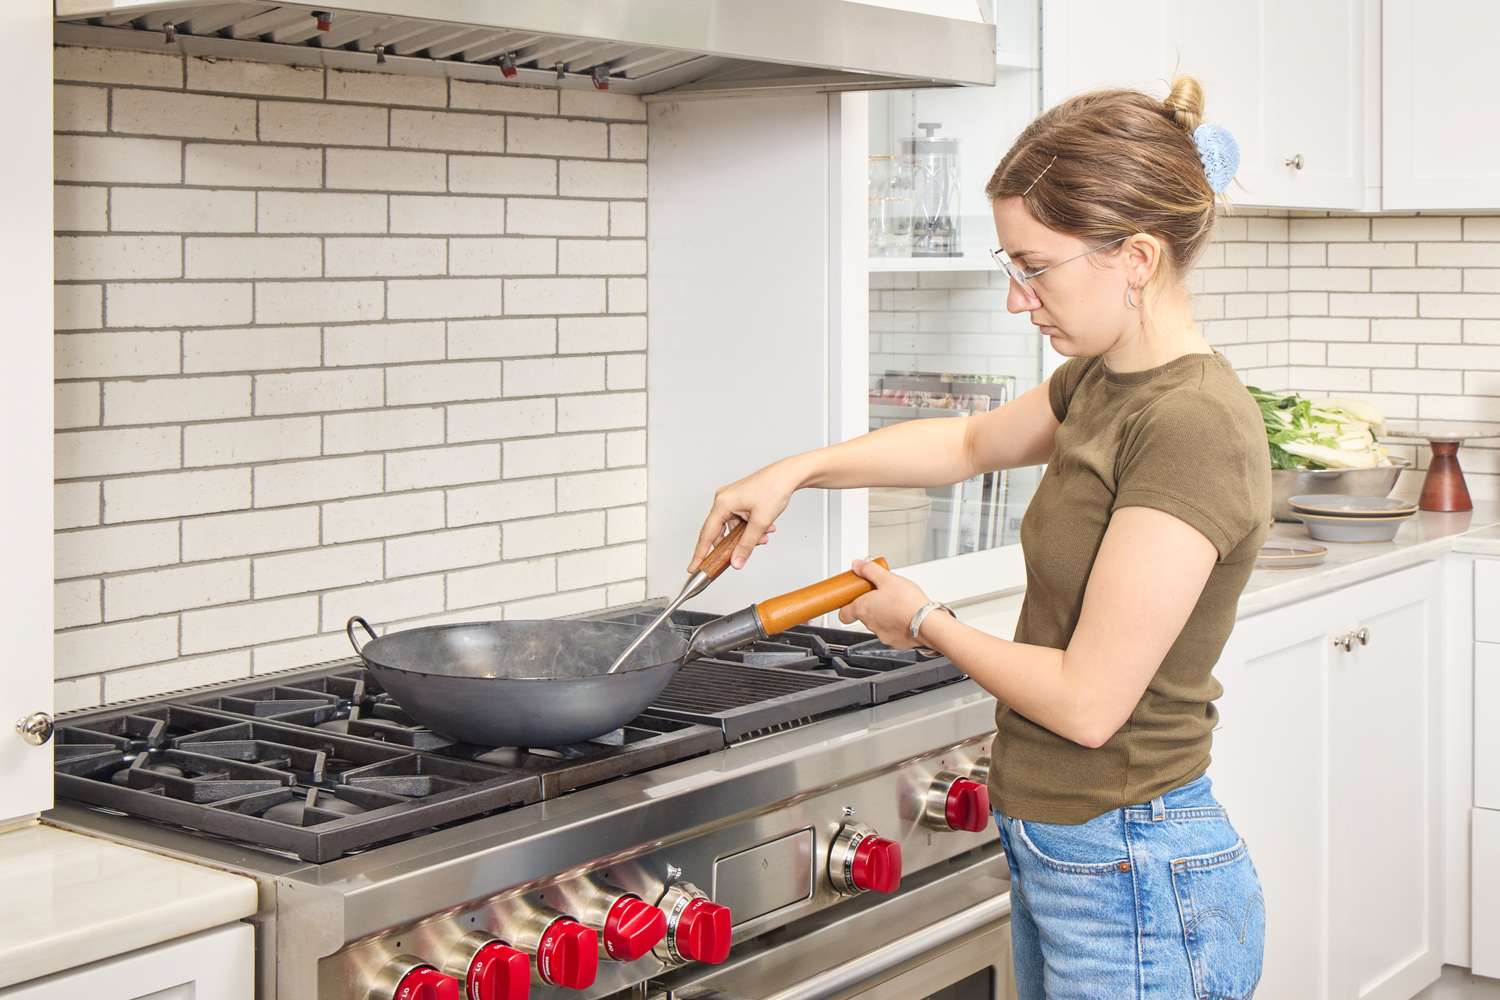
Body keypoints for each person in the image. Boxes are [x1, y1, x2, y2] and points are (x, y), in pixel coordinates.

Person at [686, 76, 1270, 998]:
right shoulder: (1102, 380)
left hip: (1134, 868)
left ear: (1138, 258)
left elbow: (1086, 703)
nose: (1016, 299)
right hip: (1072, 852)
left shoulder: (1191, 425)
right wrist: (790, 472)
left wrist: (926, 620)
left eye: (1035, 267)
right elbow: (964, 443)